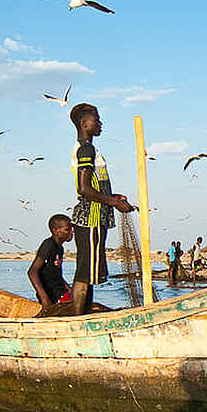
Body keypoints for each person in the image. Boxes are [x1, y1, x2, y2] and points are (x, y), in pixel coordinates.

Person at [67, 103, 135, 315]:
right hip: (90, 218)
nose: (100, 123)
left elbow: (94, 186)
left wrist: (113, 197)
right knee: (84, 273)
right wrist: (113, 203)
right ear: (84, 123)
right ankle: (77, 320)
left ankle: (84, 315)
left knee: (90, 273)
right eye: (96, 120)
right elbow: (84, 188)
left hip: (96, 217)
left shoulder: (89, 149)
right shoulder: (85, 149)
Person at [30, 214, 74, 308]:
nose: (71, 232)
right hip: (52, 294)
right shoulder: (48, 244)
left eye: (71, 229)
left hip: (61, 291)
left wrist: (68, 288)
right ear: (55, 230)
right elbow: (32, 272)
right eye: (67, 230)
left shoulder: (60, 248)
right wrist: (44, 298)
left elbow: (55, 273)